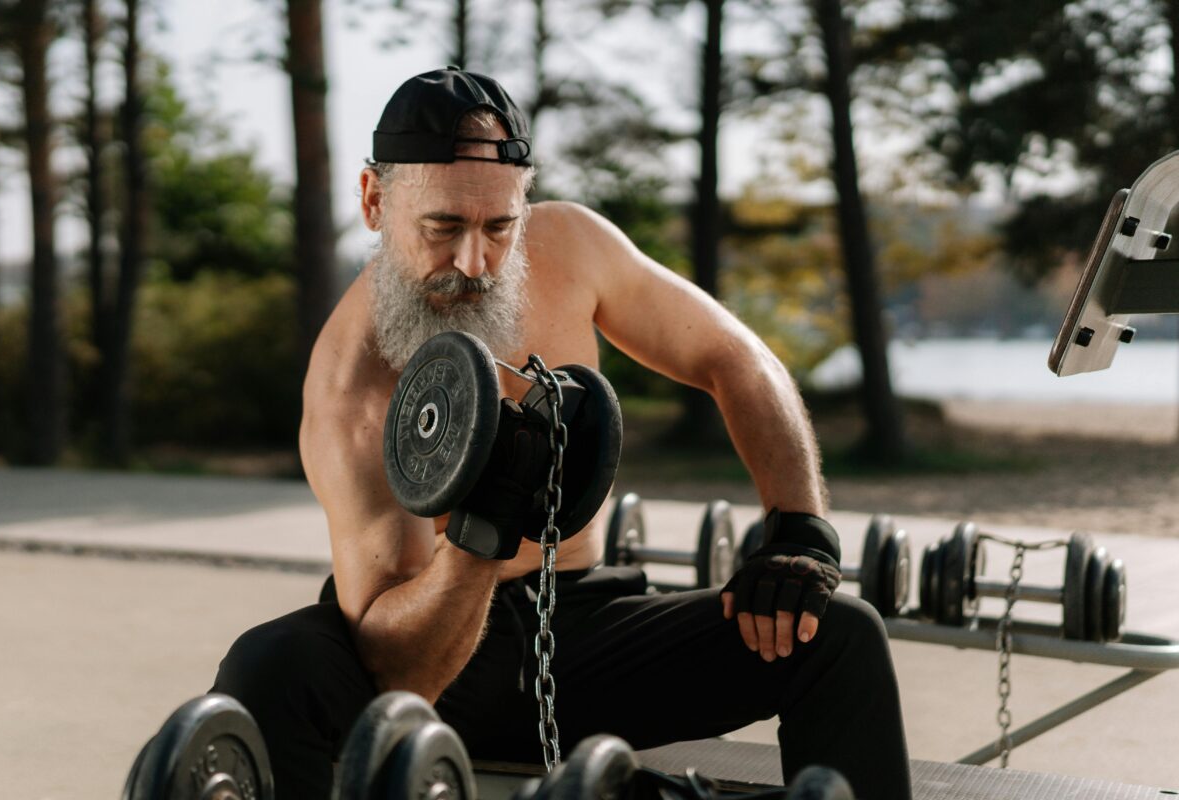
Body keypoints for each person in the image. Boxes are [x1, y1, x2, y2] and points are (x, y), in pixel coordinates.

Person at [212, 66, 912, 799]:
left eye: (499, 227)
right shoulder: (352, 389)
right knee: (272, 665)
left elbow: (733, 356)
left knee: (836, 634)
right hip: (437, 662)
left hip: (579, 630)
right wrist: (485, 530)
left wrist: (799, 529)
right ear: (374, 201)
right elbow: (404, 676)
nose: (474, 263)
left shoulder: (570, 247)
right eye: (442, 227)